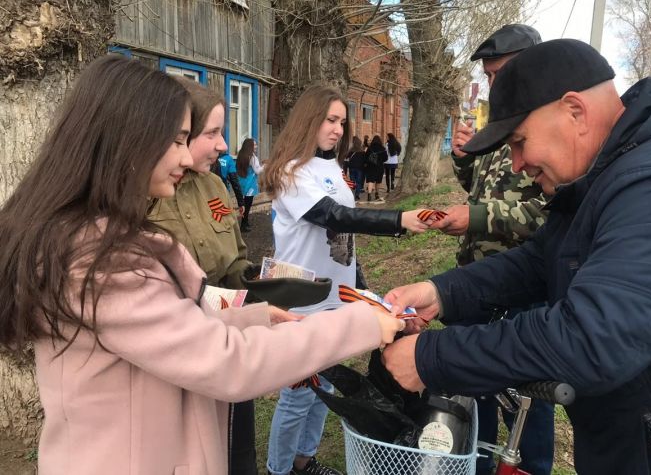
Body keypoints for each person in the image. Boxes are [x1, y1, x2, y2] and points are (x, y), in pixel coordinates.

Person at [0, 55, 406, 475]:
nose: (200, 150)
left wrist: (251, 318)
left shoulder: (104, 238)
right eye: (181, 138)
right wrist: (360, 324)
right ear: (130, 142)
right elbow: (224, 361)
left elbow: (181, 315)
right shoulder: (101, 263)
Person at [383, 39, 651, 474]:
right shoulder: (606, 173)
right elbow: (541, 259)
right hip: (638, 440)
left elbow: (593, 337)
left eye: (520, 141)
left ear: (575, 112)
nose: (518, 163)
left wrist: (432, 358)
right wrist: (441, 292)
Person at [262, 84, 430, 475]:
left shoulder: (332, 168)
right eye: (329, 120)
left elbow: (344, 241)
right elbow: (334, 218)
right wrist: (398, 220)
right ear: (308, 120)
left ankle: (304, 460)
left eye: (342, 121)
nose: (337, 129)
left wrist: (361, 288)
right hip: (302, 297)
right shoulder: (290, 171)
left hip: (336, 296)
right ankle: (278, 468)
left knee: (329, 386)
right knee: (298, 393)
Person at [431, 24, 554, 475]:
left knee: (528, 402)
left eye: (500, 74)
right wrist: (465, 160)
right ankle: (474, 466)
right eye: (489, 76)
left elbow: (549, 215)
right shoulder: (500, 125)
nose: (493, 85)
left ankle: (532, 468)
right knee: (473, 394)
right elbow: (480, 189)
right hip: (476, 286)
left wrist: (475, 217)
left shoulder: (551, 129)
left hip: (523, 294)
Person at [147, 79, 257, 474]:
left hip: (229, 338)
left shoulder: (214, 185)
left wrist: (261, 281)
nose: (223, 146)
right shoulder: (143, 194)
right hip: (178, 355)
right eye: (211, 133)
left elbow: (234, 261)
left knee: (236, 447)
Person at [236, 138, 265, 232]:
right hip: (250, 185)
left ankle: (245, 222)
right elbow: (258, 170)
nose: (256, 146)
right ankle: (244, 225)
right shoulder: (252, 157)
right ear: (250, 146)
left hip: (243, 183)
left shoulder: (241, 154)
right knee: (248, 205)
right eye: (254, 145)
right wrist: (266, 166)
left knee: (244, 204)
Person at [363, 135, 388, 203]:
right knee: (378, 181)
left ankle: (369, 195)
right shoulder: (383, 148)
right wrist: (380, 160)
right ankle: (377, 194)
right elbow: (386, 158)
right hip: (379, 167)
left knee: (371, 180)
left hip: (371, 167)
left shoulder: (370, 148)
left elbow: (365, 157)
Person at [346, 136, 366, 200]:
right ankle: (357, 195)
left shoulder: (351, 151)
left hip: (352, 167)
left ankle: (352, 193)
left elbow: (347, 157)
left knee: (352, 181)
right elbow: (364, 160)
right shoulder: (362, 152)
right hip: (360, 168)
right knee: (359, 182)